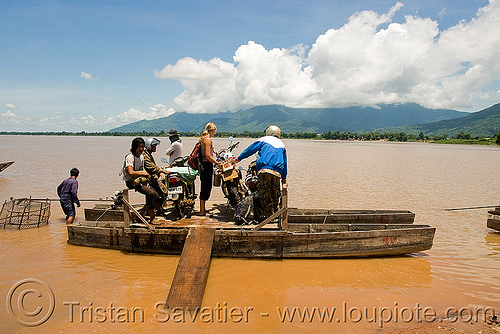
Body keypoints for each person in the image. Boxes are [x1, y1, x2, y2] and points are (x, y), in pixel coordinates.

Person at [237, 125, 287, 221]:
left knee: (265, 195)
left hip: (264, 171)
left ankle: (269, 219)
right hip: (277, 174)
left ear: (268, 132)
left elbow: (250, 150)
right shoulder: (282, 144)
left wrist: (239, 158)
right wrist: (284, 178)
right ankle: (276, 216)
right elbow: (285, 163)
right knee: (275, 195)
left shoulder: (264, 139)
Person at [122, 137, 160, 223]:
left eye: (143, 147)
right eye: (140, 147)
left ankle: (140, 216)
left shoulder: (141, 157)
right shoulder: (130, 157)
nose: (142, 149)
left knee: (156, 196)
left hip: (140, 180)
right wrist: (144, 174)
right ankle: (152, 218)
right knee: (150, 193)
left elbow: (142, 169)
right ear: (134, 147)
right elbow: (131, 172)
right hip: (131, 182)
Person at [143, 137, 168, 214]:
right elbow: (151, 167)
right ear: (149, 146)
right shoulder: (145, 156)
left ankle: (159, 208)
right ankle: (156, 209)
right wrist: (162, 171)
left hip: (153, 177)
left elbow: (153, 167)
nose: (155, 147)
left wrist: (160, 172)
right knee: (161, 192)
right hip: (150, 179)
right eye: (154, 146)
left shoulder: (148, 155)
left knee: (163, 192)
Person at [198, 123, 217, 216]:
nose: (214, 133)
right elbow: (208, 156)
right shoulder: (207, 140)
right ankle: (202, 211)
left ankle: (203, 209)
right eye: (214, 131)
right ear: (212, 130)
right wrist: (216, 163)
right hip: (206, 166)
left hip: (203, 165)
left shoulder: (204, 139)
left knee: (205, 187)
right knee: (205, 187)